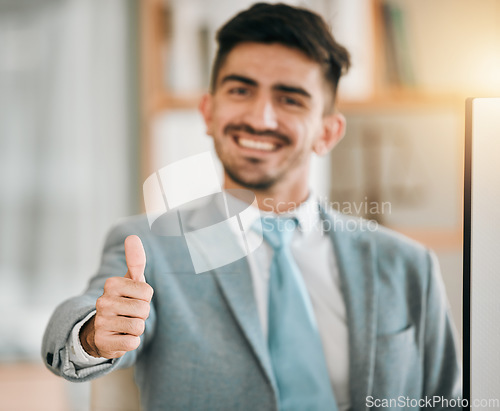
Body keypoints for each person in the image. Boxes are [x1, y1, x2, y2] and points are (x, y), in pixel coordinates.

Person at [42, 3, 461, 410]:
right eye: (241, 90)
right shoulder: (153, 246)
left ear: (328, 132)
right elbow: (73, 327)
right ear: (208, 112)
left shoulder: (407, 265)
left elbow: (444, 399)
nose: (260, 118)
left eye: (290, 99)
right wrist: (97, 333)